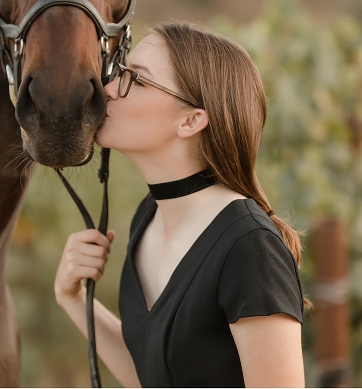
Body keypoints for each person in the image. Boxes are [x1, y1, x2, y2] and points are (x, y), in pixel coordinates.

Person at [54, 22, 306, 387]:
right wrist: (74, 298)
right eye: (120, 73)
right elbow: (153, 377)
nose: (108, 90)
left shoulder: (251, 249)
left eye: (136, 80)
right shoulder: (149, 217)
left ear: (191, 121)